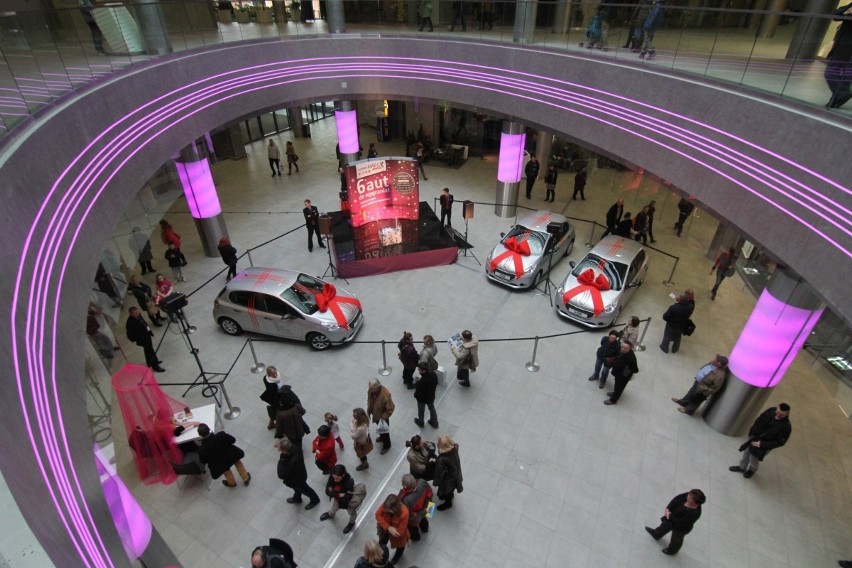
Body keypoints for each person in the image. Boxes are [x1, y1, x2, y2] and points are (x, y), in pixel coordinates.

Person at [729, 403, 792, 478]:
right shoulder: (771, 411)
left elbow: (780, 442)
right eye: (777, 412)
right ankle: (742, 467)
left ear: (787, 414)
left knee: (754, 457)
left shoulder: (786, 427)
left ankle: (752, 470)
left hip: (764, 444)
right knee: (747, 452)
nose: (778, 415)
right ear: (777, 408)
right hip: (755, 436)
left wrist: (761, 444)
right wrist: (752, 432)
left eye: (781, 414)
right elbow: (759, 420)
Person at [644, 489, 706, 555]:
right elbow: (677, 498)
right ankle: (656, 534)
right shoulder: (690, 494)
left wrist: (669, 515)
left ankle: (672, 550)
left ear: (695, 503)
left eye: (691, 498)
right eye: (689, 495)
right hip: (672, 516)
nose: (688, 496)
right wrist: (668, 508)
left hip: (681, 527)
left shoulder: (694, 513)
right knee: (664, 526)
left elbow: (681, 522)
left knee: (676, 539)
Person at [196, 423, 251, 488]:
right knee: (237, 461)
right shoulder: (221, 435)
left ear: (200, 435)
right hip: (231, 455)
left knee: (225, 470)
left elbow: (203, 461)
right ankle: (245, 478)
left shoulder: (202, 449)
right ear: (209, 429)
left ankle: (232, 483)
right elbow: (233, 440)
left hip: (219, 464)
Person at [276, 437, 321, 510]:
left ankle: (315, 500)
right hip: (299, 476)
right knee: (297, 489)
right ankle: (297, 498)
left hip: (297, 480)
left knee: (306, 490)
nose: (280, 452)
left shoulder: (291, 462)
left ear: (285, 450)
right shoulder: (296, 449)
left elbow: (281, 474)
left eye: (281, 450)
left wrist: (281, 460)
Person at [825, 3, 852, 109]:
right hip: (842, 45)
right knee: (838, 73)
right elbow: (836, 14)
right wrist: (846, 12)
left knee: (835, 72)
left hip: (847, 47)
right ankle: (840, 96)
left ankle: (841, 95)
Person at [320, 464, 361, 534]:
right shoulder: (332, 476)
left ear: (343, 475)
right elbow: (327, 491)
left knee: (352, 513)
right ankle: (330, 514)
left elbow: (348, 496)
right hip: (338, 500)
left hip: (349, 503)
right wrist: (338, 495)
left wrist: (333, 493)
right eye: (334, 478)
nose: (335, 480)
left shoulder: (350, 481)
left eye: (337, 478)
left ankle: (351, 523)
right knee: (333, 509)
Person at [125, 307, 164, 372]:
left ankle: (150, 362)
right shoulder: (130, 323)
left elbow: (144, 323)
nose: (138, 313)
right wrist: (140, 338)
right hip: (143, 339)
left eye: (138, 311)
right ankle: (156, 366)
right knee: (151, 351)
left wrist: (149, 332)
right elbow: (130, 335)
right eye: (136, 313)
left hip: (147, 335)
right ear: (131, 314)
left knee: (147, 350)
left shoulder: (138, 315)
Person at [374, 494, 410, 566]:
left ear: (394, 508)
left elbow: (400, 532)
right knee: (381, 543)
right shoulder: (387, 504)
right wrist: (388, 527)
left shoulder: (404, 512)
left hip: (397, 535)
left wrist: (391, 530)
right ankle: (380, 555)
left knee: (400, 546)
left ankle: (397, 556)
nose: (385, 510)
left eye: (388, 510)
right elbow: (377, 514)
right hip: (385, 530)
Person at [398, 473, 432, 542]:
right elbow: (429, 493)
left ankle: (416, 538)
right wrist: (425, 508)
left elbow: (409, 515)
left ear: (405, 486)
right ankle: (425, 529)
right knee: (424, 520)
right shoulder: (422, 482)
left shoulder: (406, 500)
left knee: (413, 530)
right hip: (424, 509)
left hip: (415, 518)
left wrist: (421, 513)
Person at [604, 340, 639, 405]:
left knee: (619, 388)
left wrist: (626, 370)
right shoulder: (620, 352)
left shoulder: (632, 359)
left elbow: (635, 370)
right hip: (617, 374)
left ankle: (613, 400)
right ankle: (614, 393)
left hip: (623, 377)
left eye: (625, 349)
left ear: (630, 349)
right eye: (622, 347)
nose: (623, 349)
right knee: (616, 386)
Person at [433, 435, 463, 510]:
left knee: (447, 491)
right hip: (456, 475)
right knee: (451, 490)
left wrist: (436, 482)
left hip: (447, 480)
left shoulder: (442, 459)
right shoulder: (455, 449)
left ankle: (448, 503)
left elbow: (439, 474)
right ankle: (450, 496)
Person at [367, 379, 395, 454]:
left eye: (372, 389)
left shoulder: (385, 395)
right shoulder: (371, 391)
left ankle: (387, 445)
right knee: (380, 428)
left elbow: (390, 408)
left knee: (385, 431)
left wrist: (383, 418)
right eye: (369, 388)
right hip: (376, 414)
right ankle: (382, 437)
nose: (370, 390)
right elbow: (369, 399)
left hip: (383, 417)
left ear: (377, 387)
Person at [413, 363, 439, 428]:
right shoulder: (433, 374)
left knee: (421, 410)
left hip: (422, 399)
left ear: (424, 371)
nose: (418, 371)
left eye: (419, 370)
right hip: (431, 397)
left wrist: (415, 395)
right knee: (432, 408)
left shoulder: (421, 382)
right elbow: (436, 383)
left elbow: (418, 393)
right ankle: (434, 422)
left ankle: (421, 422)